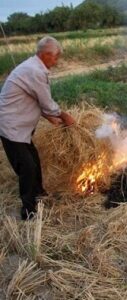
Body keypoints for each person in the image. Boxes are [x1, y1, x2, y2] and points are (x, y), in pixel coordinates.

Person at [0, 36, 76, 220]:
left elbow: (32, 97)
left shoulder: (33, 67)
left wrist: (49, 117)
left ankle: (39, 194)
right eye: (55, 57)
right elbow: (47, 103)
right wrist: (65, 117)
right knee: (27, 167)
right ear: (45, 54)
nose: (57, 61)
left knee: (34, 161)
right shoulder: (34, 71)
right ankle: (28, 211)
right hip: (11, 126)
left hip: (20, 128)